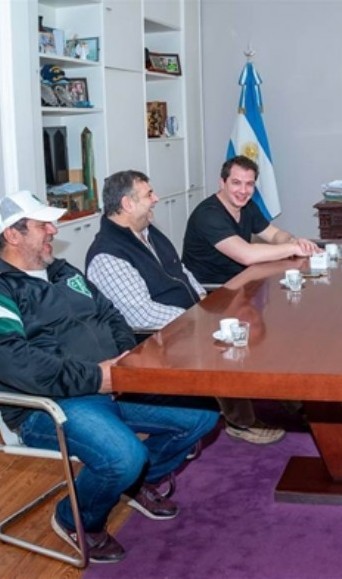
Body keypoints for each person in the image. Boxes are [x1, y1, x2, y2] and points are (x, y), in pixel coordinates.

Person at [0, 190, 218, 564]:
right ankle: (75, 519)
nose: (54, 230)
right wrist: (94, 378)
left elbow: (112, 315)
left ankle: (135, 483)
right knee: (123, 456)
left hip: (112, 380)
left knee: (203, 415)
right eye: (42, 225)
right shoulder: (5, 288)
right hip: (50, 403)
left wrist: (123, 361)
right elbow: (15, 362)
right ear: (13, 235)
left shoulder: (64, 272)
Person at [85, 170, 285, 446]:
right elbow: (140, 315)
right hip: (156, 340)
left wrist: (205, 302)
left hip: (189, 320)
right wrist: (200, 319)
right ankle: (242, 421)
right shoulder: (108, 254)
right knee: (233, 339)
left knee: (249, 325)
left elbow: (181, 270)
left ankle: (278, 397)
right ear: (127, 204)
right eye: (148, 195)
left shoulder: (146, 231)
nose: (156, 199)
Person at [182, 156, 320, 285]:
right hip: (211, 292)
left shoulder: (247, 206)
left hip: (240, 282)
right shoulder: (208, 215)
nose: (243, 191)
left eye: (249, 184)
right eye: (236, 183)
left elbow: (274, 234)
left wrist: (294, 242)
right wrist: (293, 248)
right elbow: (247, 255)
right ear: (222, 183)